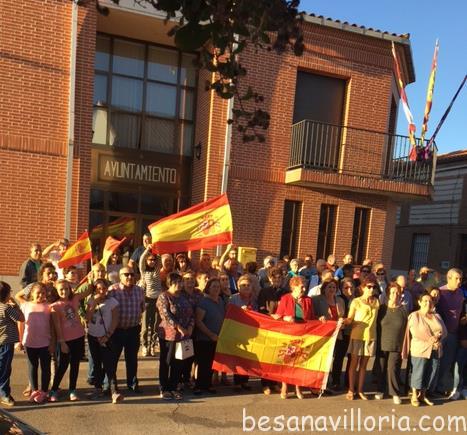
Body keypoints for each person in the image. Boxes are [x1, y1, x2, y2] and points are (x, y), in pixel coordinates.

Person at [273, 276, 318, 399]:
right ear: (294, 286)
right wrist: (285, 318)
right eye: (301, 286)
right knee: (287, 361)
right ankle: (285, 385)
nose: (304, 289)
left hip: (303, 335)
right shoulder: (285, 298)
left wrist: (320, 319)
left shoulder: (308, 300)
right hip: (288, 334)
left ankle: (297, 387)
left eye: (305, 286)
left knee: (299, 362)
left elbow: (312, 318)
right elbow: (278, 316)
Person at [402, 293, 447, 406]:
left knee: (431, 372)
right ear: (419, 302)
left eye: (430, 301)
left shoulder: (436, 316)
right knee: (418, 372)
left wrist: (439, 338)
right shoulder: (414, 315)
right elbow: (416, 332)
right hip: (420, 349)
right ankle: (414, 395)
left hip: (435, 349)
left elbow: (444, 331)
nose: (428, 303)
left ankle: (423, 395)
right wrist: (432, 339)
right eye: (425, 301)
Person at [49, 279, 88, 402]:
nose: (64, 291)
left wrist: (90, 276)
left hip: (79, 337)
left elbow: (88, 290)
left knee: (75, 365)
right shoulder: (54, 306)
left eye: (66, 288)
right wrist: (62, 342)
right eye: (61, 289)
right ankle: (54, 389)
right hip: (65, 340)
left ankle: (72, 389)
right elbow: (57, 326)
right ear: (56, 290)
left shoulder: (75, 298)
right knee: (62, 366)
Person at [157, 273, 194, 400]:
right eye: (177, 282)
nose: (180, 284)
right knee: (166, 361)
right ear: (170, 283)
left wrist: (190, 327)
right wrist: (179, 327)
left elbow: (191, 313)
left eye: (180, 281)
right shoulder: (164, 296)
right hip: (169, 335)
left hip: (183, 336)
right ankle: (164, 388)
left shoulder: (184, 297)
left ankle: (174, 387)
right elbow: (166, 315)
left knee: (178, 362)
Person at [108, 267, 145, 394]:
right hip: (116, 331)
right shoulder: (112, 290)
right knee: (112, 359)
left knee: (132, 359)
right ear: (120, 276)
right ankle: (111, 385)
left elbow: (142, 308)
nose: (130, 277)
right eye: (126, 274)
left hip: (133, 330)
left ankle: (132, 383)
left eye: (132, 274)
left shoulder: (139, 291)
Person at [86, 279, 123, 404]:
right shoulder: (91, 300)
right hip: (93, 336)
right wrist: (94, 303)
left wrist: (107, 335)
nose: (101, 291)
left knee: (109, 364)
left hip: (106, 336)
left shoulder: (113, 302)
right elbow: (88, 318)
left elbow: (115, 320)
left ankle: (114, 391)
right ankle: (98, 388)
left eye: (104, 288)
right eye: (98, 289)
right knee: (96, 363)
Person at [344, 276, 380, 400]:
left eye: (374, 287)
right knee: (353, 364)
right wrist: (344, 321)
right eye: (369, 287)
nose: (371, 289)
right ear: (363, 287)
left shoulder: (377, 302)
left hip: (370, 336)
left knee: (364, 366)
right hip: (357, 335)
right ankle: (351, 389)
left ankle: (360, 390)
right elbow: (350, 318)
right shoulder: (356, 301)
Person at [18, 282, 53, 404]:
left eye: (43, 293)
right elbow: (21, 324)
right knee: (32, 367)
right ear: (32, 293)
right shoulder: (25, 306)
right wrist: (20, 341)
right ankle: (34, 390)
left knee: (45, 368)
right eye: (38, 293)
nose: (41, 295)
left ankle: (44, 391)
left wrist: (52, 343)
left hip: (45, 342)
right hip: (29, 342)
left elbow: (52, 326)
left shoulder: (49, 306)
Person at [257, 267, 288, 395]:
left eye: (279, 277)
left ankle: (274, 382)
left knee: (277, 357)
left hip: (281, 328)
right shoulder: (264, 291)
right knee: (266, 356)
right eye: (274, 277)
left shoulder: (286, 292)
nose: (277, 280)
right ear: (270, 278)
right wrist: (271, 316)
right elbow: (261, 309)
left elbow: (289, 308)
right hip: (268, 327)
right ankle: (265, 384)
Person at [375, 282, 407, 404]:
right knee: (381, 368)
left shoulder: (403, 310)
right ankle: (380, 390)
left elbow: (406, 329)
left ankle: (394, 393)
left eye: (397, 293)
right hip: (382, 343)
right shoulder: (381, 309)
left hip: (397, 345)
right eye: (393, 292)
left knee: (392, 368)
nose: (395, 295)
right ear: (388, 294)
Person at [193, 278, 225, 395]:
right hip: (204, 338)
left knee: (211, 363)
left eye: (218, 286)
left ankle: (208, 385)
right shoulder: (203, 302)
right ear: (208, 288)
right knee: (203, 364)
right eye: (214, 286)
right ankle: (199, 386)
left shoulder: (220, 301)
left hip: (216, 338)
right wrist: (210, 334)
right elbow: (198, 321)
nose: (216, 289)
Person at [312, 279, 345, 390]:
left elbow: (343, 316)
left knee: (337, 359)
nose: (332, 289)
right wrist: (319, 318)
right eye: (329, 287)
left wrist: (343, 321)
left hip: (337, 334)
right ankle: (321, 382)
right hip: (324, 334)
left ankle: (335, 381)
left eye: (334, 287)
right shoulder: (316, 299)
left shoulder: (340, 300)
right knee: (324, 359)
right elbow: (312, 315)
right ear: (324, 288)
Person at [436, 268, 463, 397]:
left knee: (447, 362)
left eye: (460, 279)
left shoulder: (461, 293)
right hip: (440, 334)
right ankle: (430, 387)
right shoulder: (440, 292)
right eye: (456, 278)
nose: (459, 281)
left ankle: (440, 386)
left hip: (453, 333)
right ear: (449, 278)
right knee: (436, 361)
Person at [229, 275, 258, 390]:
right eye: (243, 285)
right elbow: (228, 313)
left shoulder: (254, 299)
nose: (246, 287)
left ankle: (245, 381)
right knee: (237, 358)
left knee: (247, 358)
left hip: (250, 332)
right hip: (236, 331)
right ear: (238, 286)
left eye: (248, 285)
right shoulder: (233, 299)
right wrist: (240, 311)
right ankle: (237, 382)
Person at [0, 281, 25, 406]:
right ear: (6, 295)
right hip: (6, 342)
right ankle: (4, 394)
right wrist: (15, 305)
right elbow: (21, 318)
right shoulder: (6, 308)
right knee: (4, 369)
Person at [138, 244, 161, 357]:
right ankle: (144, 345)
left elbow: (159, 259)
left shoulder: (157, 271)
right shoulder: (144, 272)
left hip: (158, 300)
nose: (152, 261)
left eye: (153, 260)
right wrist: (147, 249)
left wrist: (157, 248)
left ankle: (152, 345)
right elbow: (141, 260)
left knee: (155, 325)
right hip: (147, 300)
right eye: (150, 260)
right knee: (145, 325)